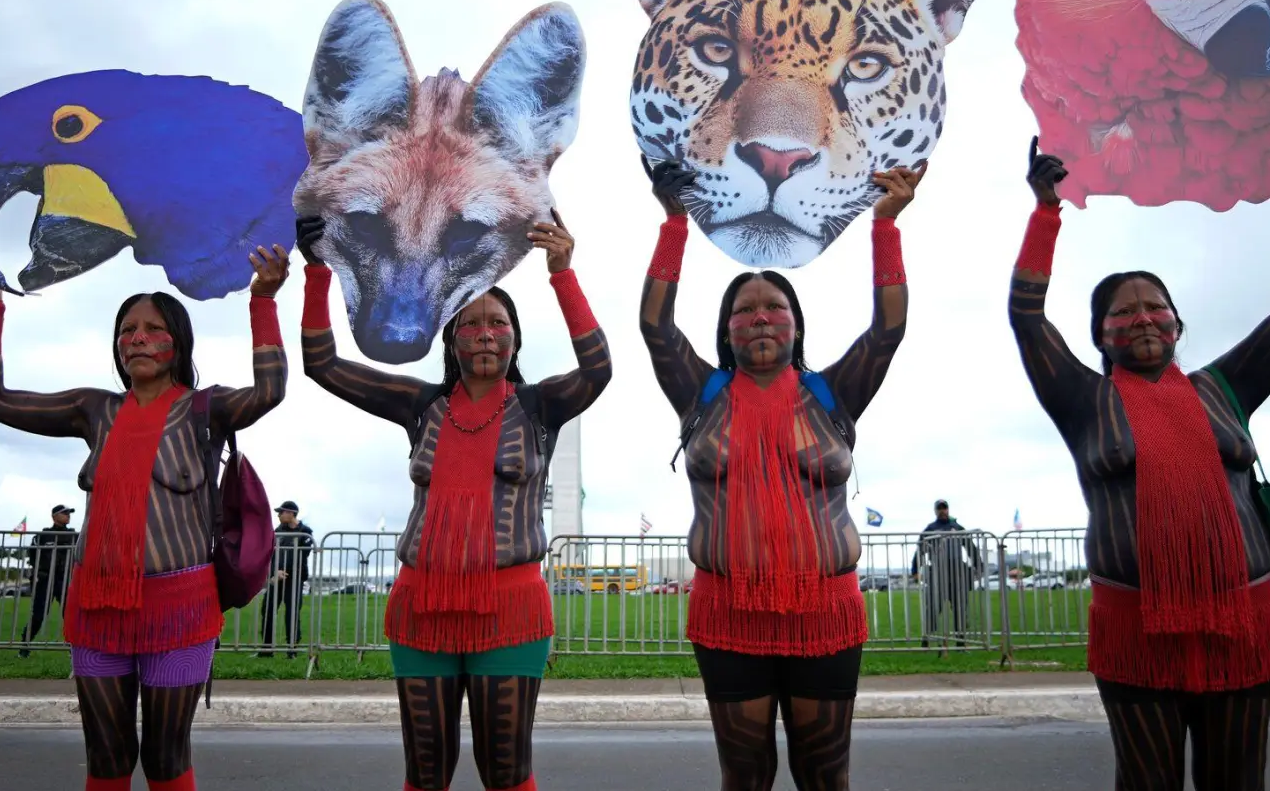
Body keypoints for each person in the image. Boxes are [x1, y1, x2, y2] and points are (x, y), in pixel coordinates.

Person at [1009, 129, 1270, 790]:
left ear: (1179, 324)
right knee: (1147, 782)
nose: (1143, 319)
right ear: (1101, 335)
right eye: (1123, 314)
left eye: (1156, 307)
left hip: (1243, 625)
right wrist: (1046, 212)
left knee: (1237, 782)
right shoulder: (1082, 400)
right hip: (1135, 634)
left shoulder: (1225, 387)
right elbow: (1026, 318)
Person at [298, 208, 610, 791]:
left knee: (506, 773)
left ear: (515, 337)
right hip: (420, 612)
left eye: (498, 323)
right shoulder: (420, 406)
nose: (486, 333)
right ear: (451, 340)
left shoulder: (540, 408)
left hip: (511, 614)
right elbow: (322, 366)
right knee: (425, 772)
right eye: (469, 324)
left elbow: (598, 369)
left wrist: (562, 274)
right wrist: (319, 272)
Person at [0, 245, 290, 791]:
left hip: (180, 613)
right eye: (127, 329)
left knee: (165, 757)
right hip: (95, 610)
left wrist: (263, 302)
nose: (138, 338)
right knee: (107, 757)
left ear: (178, 342)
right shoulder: (95, 410)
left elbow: (270, 391)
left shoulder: (207, 408)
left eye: (153, 329)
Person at [639, 155, 924, 791]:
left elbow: (889, 328)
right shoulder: (702, 395)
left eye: (775, 308)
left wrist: (886, 227)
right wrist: (674, 224)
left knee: (825, 774)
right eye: (745, 310)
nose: (761, 317)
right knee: (744, 775)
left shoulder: (833, 394)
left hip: (826, 615)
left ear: (797, 326)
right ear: (727, 330)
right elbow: (655, 327)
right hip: (727, 616)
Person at [910, 500, 982, 648]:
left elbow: (970, 547)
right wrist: (915, 570)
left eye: (945, 508)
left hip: (957, 574)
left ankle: (960, 641)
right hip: (937, 573)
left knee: (960, 607)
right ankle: (927, 639)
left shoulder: (957, 527)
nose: (943, 511)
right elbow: (920, 550)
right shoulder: (930, 529)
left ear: (948, 509)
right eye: (940, 509)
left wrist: (978, 566)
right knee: (933, 607)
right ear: (935, 511)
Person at [20, 505, 78, 657]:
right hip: (45, 579)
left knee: (70, 614)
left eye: (68, 513)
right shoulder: (43, 535)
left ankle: (74, 649)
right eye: (64, 513)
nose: (68, 516)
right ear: (54, 516)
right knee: (38, 614)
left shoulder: (75, 536)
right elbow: (33, 556)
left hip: (66, 580)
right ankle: (24, 647)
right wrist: (38, 574)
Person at [259, 501, 313, 658]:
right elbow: (272, 555)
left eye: (281, 512)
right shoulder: (277, 532)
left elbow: (302, 555)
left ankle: (292, 649)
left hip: (295, 578)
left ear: (291, 513)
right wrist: (275, 572)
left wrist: (286, 570)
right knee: (267, 609)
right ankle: (266, 649)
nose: (279, 515)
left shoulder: (305, 532)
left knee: (292, 612)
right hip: (277, 577)